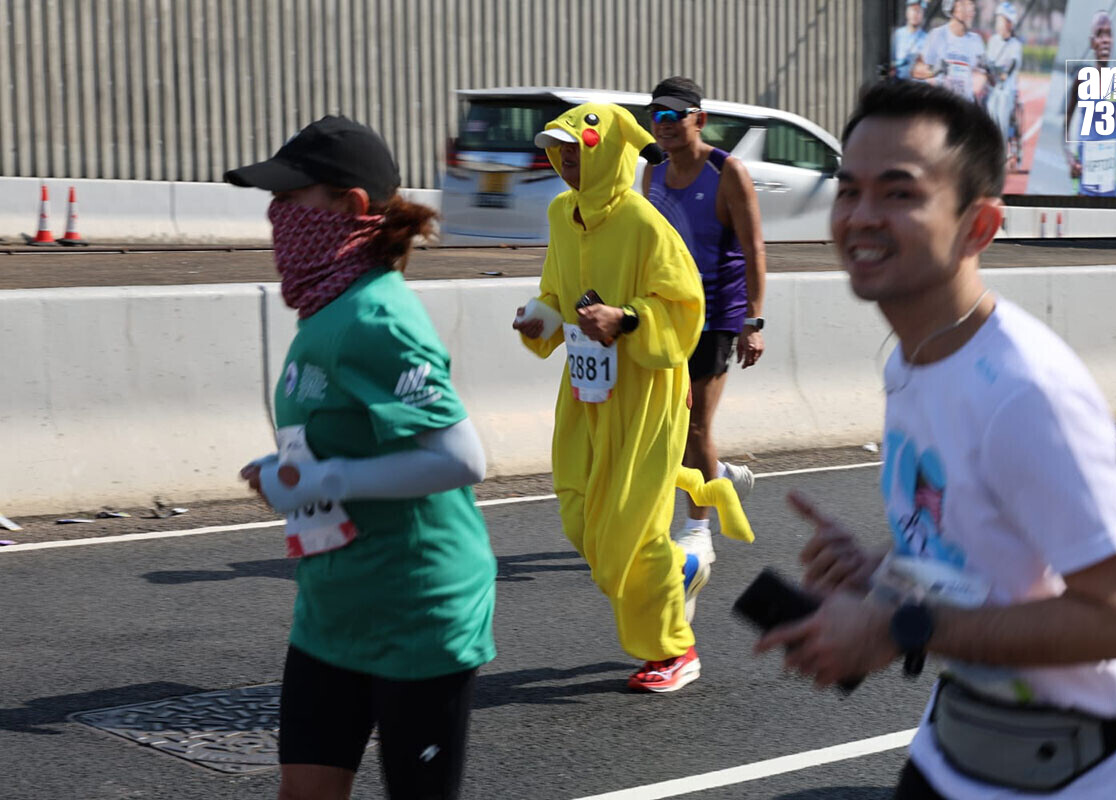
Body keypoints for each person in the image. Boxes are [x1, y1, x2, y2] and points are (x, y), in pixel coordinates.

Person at [755, 81, 1116, 798]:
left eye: (898, 193)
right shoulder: (910, 361)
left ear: (978, 226)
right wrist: (884, 571)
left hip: (1079, 770)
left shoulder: (1025, 392)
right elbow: (986, 553)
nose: (860, 217)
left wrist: (898, 628)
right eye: (848, 190)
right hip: (964, 739)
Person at [227, 115, 497, 800]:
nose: (275, 213)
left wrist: (325, 477)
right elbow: (343, 438)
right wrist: (287, 473)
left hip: (417, 615)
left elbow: (462, 457)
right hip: (331, 610)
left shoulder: (377, 317)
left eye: (293, 198)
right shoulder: (326, 310)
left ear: (349, 207)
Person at [513, 102, 753, 693]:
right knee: (581, 522)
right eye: (558, 150)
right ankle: (683, 566)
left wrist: (626, 320)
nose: (566, 161)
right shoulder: (560, 213)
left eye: (578, 149)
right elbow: (555, 289)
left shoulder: (645, 223)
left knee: (627, 535)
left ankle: (675, 650)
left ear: (606, 152)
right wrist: (539, 318)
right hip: (584, 394)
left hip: (646, 397)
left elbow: (684, 305)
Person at [642, 76, 762, 595]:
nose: (664, 125)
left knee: (693, 428)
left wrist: (752, 322)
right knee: (665, 428)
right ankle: (719, 473)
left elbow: (754, 249)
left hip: (716, 316)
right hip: (663, 317)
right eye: (657, 117)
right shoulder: (652, 172)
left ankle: (697, 531)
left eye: (675, 115)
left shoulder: (726, 171)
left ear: (699, 119)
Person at [1064, 10, 1116, 196]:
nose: (1106, 39)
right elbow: (1066, 121)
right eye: (1100, 34)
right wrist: (1070, 159)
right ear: (1092, 43)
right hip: (1084, 186)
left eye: (1109, 34)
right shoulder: (1081, 79)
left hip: (1110, 189)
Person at [913, 0, 987, 101]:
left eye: (972, 5)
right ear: (951, 7)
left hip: (965, 108)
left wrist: (985, 74)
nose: (971, 10)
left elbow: (981, 76)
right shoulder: (937, 35)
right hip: (942, 105)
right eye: (965, 4)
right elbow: (916, 71)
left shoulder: (976, 40)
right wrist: (934, 70)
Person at [984, 2, 1023, 167]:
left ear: (1009, 23)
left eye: (1001, 20)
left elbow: (1014, 63)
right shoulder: (993, 40)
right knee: (990, 118)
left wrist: (1005, 73)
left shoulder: (1015, 44)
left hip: (1008, 90)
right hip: (993, 89)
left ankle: (1007, 152)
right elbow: (988, 62)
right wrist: (992, 70)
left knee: (1004, 120)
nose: (998, 23)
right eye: (997, 20)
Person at [892, 1, 929, 81]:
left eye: (919, 11)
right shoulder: (897, 35)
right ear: (907, 12)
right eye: (913, 10)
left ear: (923, 15)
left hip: (917, 87)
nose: (915, 14)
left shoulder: (927, 39)